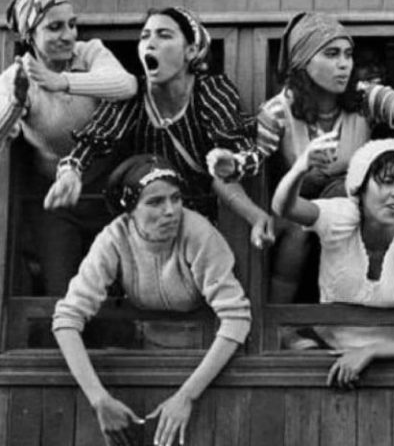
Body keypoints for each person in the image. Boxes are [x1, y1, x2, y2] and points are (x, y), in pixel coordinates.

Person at [207, 11, 394, 304]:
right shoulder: (278, 110)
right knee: (295, 234)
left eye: (347, 54)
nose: (344, 64)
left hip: (352, 203)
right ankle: (282, 317)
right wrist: (231, 164)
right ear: (303, 61)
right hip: (298, 204)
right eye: (331, 54)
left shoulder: (364, 97)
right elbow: (255, 156)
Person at [52, 154, 251, 446]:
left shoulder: (198, 232)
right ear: (130, 209)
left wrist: (186, 396)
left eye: (176, 198)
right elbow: (67, 319)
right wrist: (99, 400)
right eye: (155, 202)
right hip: (149, 354)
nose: (170, 211)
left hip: (210, 363)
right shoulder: (115, 237)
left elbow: (237, 318)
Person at [43, 6, 274, 249]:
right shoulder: (132, 96)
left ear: (190, 51)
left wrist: (235, 167)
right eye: (145, 36)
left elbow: (245, 154)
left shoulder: (210, 93)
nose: (150, 44)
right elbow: (94, 139)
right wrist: (71, 171)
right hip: (146, 227)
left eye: (164, 35)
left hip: (197, 230)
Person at [271, 137, 394, 387]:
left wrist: (370, 352)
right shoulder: (339, 218)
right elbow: (284, 208)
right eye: (387, 182)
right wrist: (300, 168)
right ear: (360, 187)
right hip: (326, 352)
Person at [0, 0, 137, 295]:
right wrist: (15, 104)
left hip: (110, 194)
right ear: (30, 35)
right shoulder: (16, 77)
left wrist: (62, 82)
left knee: (116, 290)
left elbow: (126, 85)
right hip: (56, 201)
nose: (68, 35)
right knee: (62, 290)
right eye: (55, 27)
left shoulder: (89, 53)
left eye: (72, 24)